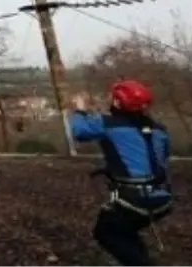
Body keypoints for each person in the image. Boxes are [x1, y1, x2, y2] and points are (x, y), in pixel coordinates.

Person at [70, 80, 172, 267]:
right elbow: (158, 159)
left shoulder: (108, 124)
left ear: (118, 103)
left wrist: (79, 110)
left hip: (132, 200)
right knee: (125, 230)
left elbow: (79, 131)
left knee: (105, 232)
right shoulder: (160, 129)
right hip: (161, 198)